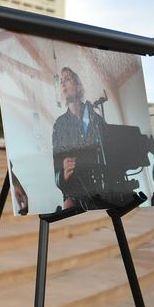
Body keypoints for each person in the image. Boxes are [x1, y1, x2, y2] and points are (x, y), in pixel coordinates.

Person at [52, 66, 112, 210]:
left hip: (102, 192)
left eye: (67, 79)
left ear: (78, 87)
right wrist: (64, 177)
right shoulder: (59, 125)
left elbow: (109, 152)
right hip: (76, 196)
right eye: (61, 81)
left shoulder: (97, 120)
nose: (63, 84)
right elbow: (56, 170)